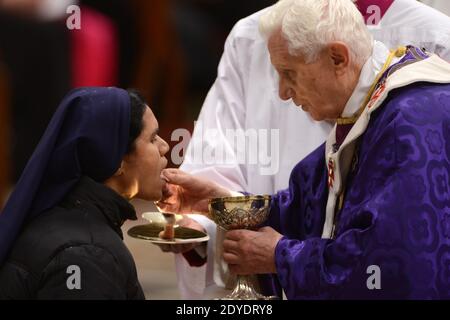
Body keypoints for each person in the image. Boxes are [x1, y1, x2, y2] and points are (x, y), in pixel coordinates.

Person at [159, 0, 450, 300]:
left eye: (289, 73)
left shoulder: (410, 122)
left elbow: (389, 267)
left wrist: (281, 256)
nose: (283, 93)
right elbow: (305, 204)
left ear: (338, 58)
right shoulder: (372, 108)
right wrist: (220, 205)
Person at [0, 87, 170, 299]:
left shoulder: (70, 223)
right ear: (117, 160)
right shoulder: (87, 254)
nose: (164, 146)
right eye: (153, 138)